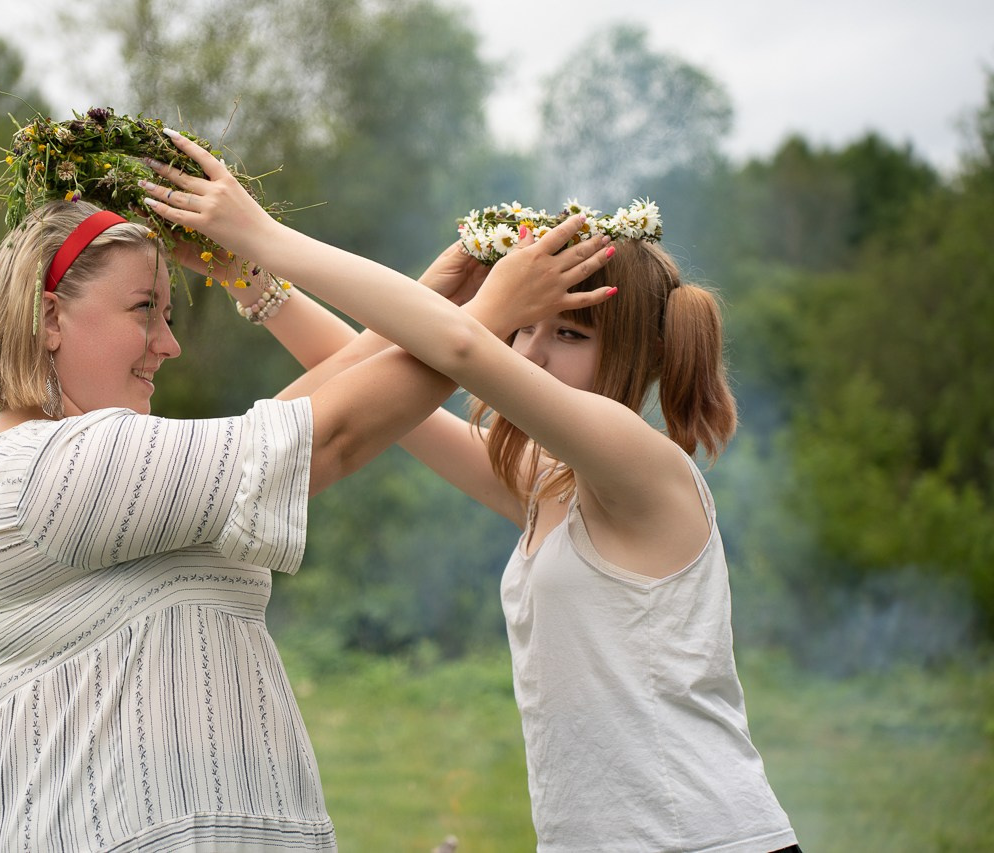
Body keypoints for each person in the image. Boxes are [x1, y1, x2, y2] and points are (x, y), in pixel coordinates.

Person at [141, 128, 801, 852]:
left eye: (571, 335)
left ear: (637, 352)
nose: (533, 352)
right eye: (526, 326)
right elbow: (392, 394)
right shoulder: (554, 484)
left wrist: (264, 233)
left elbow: (458, 347)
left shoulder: (640, 464)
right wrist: (246, 275)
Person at [0, 196, 614, 851]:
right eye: (145, 308)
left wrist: (433, 301)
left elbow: (291, 422)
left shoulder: (88, 467)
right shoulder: (59, 466)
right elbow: (328, 436)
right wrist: (489, 314)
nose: (169, 344)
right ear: (48, 318)